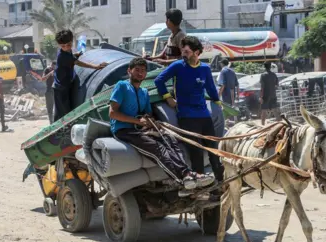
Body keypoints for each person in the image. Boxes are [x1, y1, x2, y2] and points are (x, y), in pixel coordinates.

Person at [110, 57, 214, 195]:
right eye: (137, 70)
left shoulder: (144, 92)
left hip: (140, 129)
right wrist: (137, 122)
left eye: (143, 71)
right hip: (124, 130)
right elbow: (112, 114)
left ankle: (188, 173)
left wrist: (151, 122)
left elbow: (147, 114)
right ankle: (183, 179)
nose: (140, 73)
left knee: (170, 140)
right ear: (129, 71)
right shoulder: (122, 86)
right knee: (157, 148)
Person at [154, 36, 224, 183]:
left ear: (196, 52)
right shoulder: (178, 66)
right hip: (186, 115)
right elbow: (159, 80)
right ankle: (199, 182)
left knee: (213, 149)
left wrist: (217, 102)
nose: (183, 54)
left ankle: (220, 180)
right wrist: (168, 97)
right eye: (182, 51)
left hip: (204, 115)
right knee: (196, 150)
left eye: (186, 51)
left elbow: (211, 88)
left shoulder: (205, 68)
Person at [53, 29, 108, 122]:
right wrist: (96, 66)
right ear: (59, 45)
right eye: (63, 46)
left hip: (65, 84)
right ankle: (58, 132)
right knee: (63, 113)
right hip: (61, 88)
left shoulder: (66, 52)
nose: (66, 47)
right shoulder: (63, 56)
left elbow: (71, 56)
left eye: (69, 45)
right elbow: (78, 63)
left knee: (66, 110)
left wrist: (76, 54)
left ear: (72, 42)